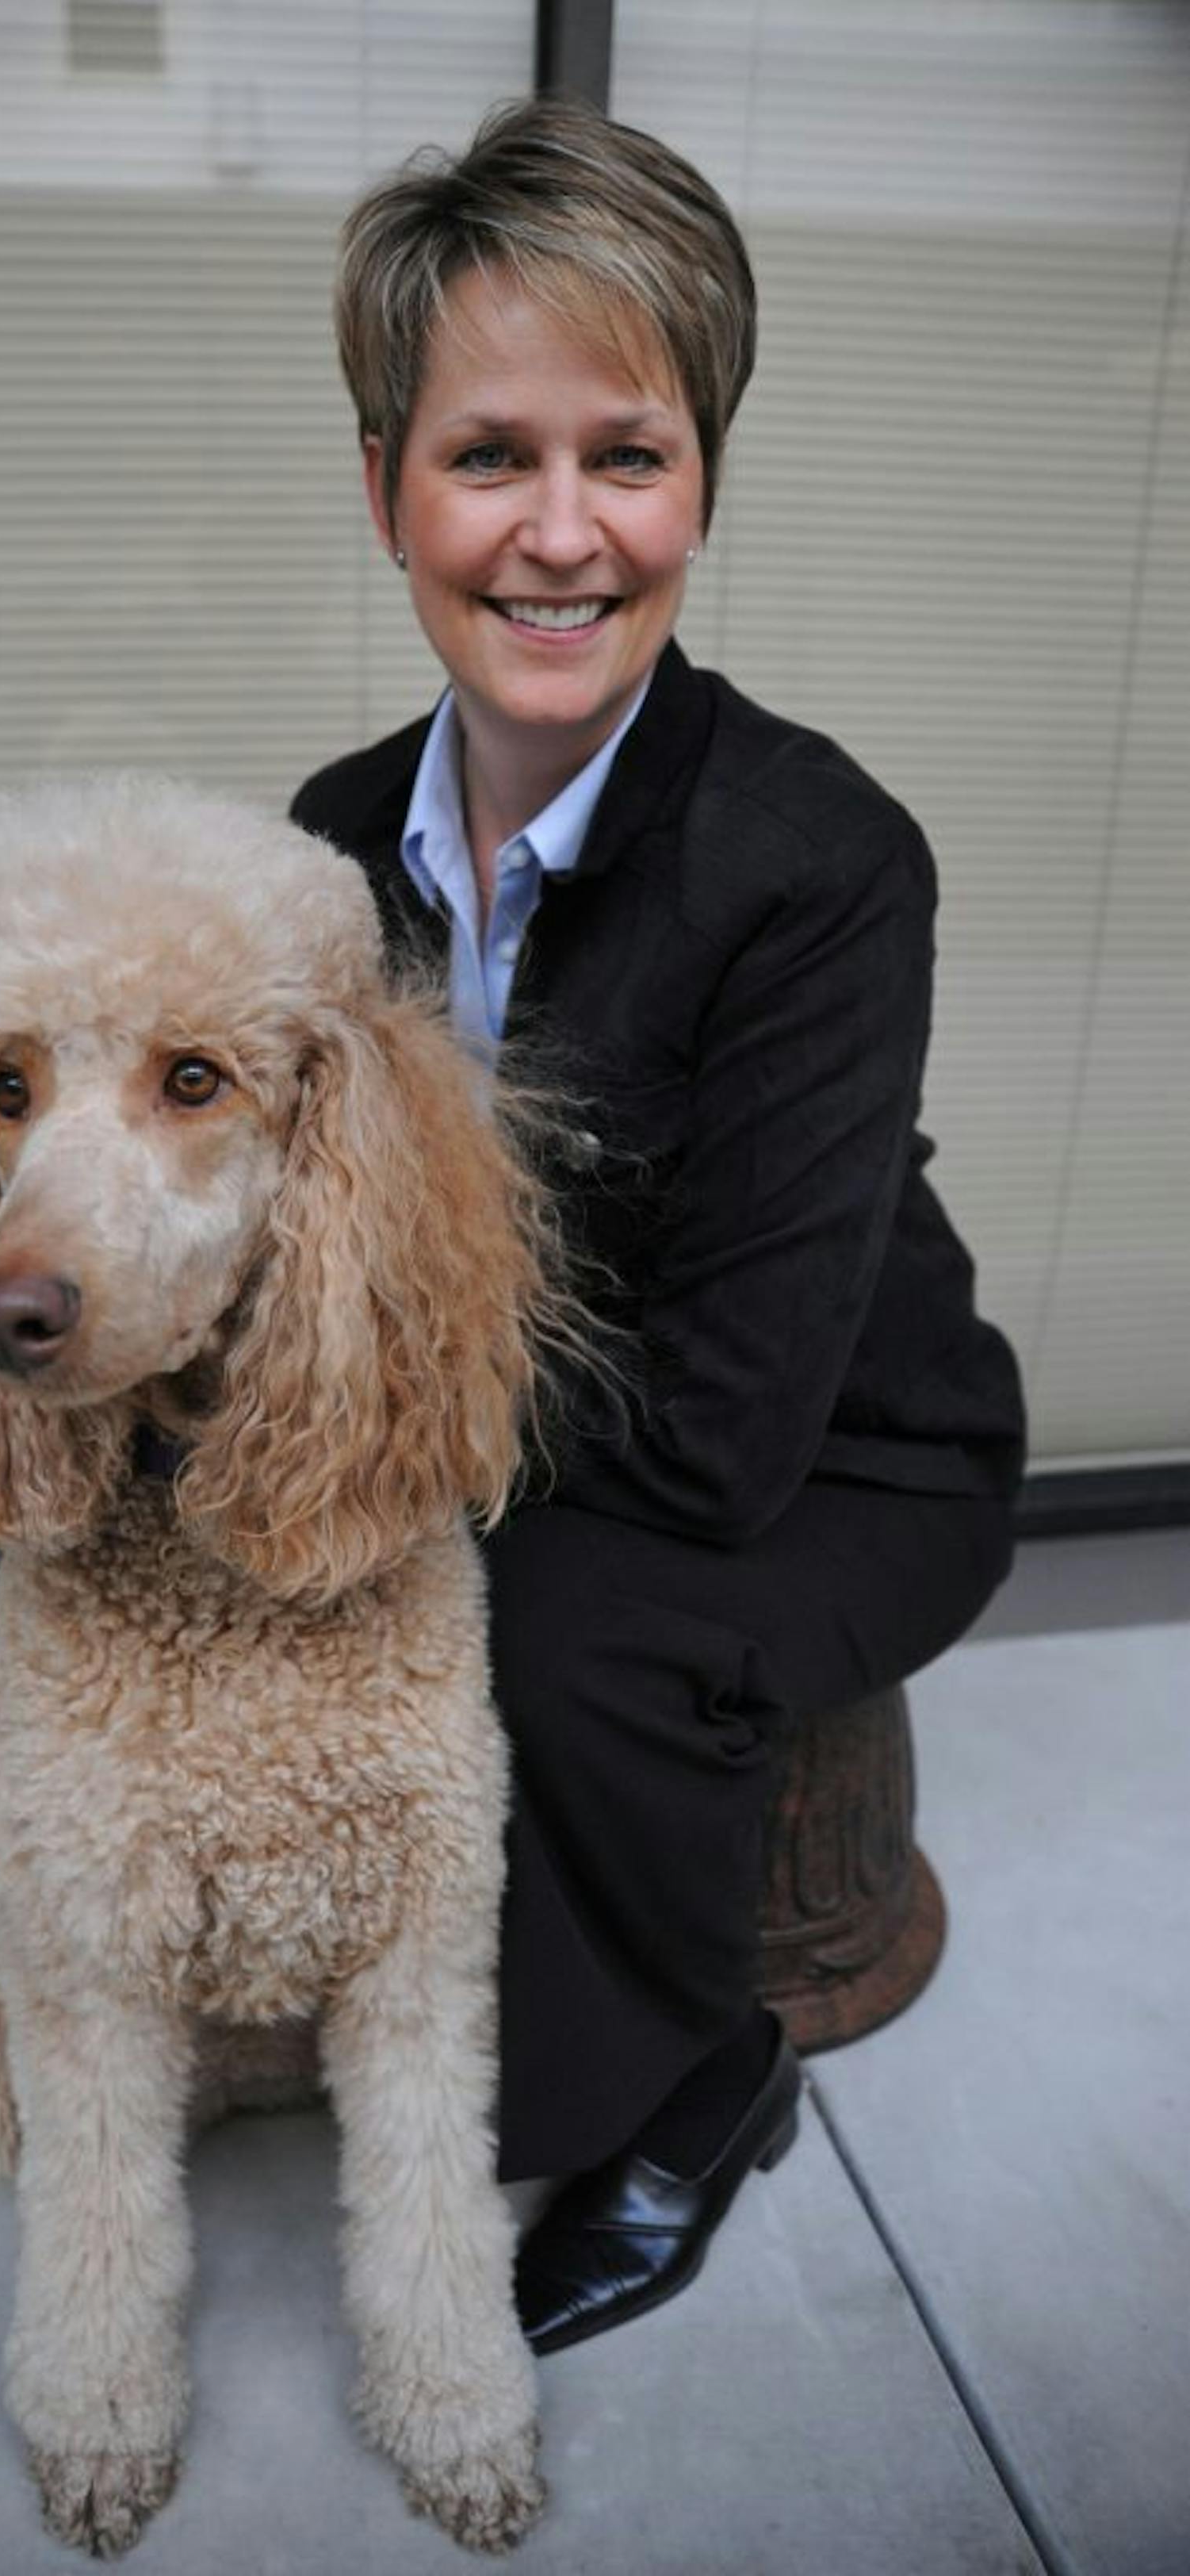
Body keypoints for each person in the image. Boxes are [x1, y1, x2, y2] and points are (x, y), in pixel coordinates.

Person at [290, 97, 1026, 2356]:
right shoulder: (324, 839)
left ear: (702, 485)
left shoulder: (823, 861)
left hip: (839, 1454)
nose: (561, 532)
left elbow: (719, 1441)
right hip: (544, 1423)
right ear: (387, 487)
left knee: (567, 1621)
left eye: (630, 454)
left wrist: (383, 1460)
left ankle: (706, 2079)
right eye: (488, 455)